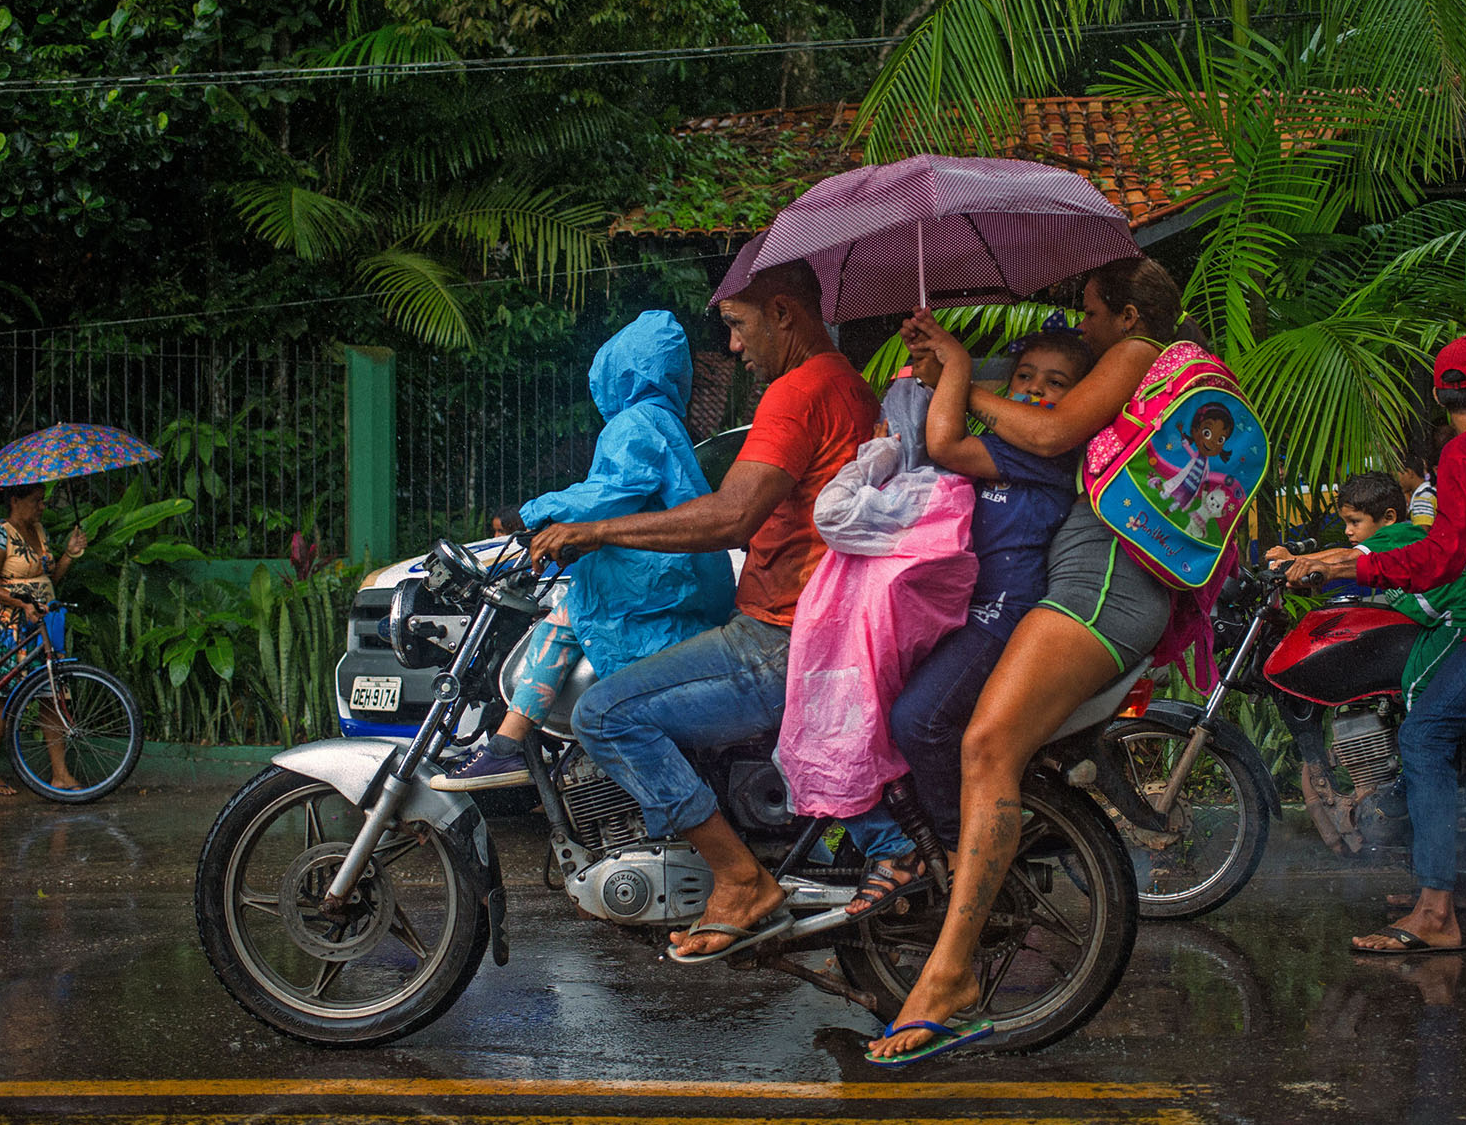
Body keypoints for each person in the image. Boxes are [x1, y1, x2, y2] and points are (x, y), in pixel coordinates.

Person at [868, 255, 1201, 1062]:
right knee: (974, 741)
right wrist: (951, 367)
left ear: (1126, 315)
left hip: (1100, 583)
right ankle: (950, 956)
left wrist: (958, 373)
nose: (1080, 322)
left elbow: (1047, 428)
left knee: (982, 745)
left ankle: (951, 975)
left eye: (1089, 309)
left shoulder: (1135, 351)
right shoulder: (1155, 368)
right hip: (1097, 580)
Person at [528, 263, 879, 961]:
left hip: (776, 636)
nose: (734, 348)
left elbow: (729, 516)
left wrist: (593, 531)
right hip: (816, 622)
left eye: (739, 327)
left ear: (783, 313)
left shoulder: (797, 391)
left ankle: (737, 875)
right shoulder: (849, 384)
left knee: (604, 713)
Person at [1285, 334, 1466, 957]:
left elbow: (1441, 558)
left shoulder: (1465, 453)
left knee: (1423, 734)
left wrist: (1346, 569)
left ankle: (1436, 911)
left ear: (1441, 399)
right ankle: (1454, 876)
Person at [834, 326, 1094, 916]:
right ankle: (912, 838)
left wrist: (955, 364)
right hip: (956, 610)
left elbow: (947, 443)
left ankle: (961, 848)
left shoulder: (1044, 452)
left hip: (999, 617)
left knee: (919, 720)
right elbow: (931, 464)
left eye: (1055, 385)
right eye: (1025, 377)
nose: (1032, 392)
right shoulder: (1004, 444)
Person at [434, 311, 735, 791]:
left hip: (655, 580)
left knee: (568, 621)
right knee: (573, 620)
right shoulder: (666, 422)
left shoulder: (635, 422)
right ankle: (516, 748)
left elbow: (611, 491)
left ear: (619, 370)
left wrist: (530, 514)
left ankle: (508, 746)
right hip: (679, 578)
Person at [1267, 473, 1466, 709]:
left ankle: (1425, 740)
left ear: (1388, 517)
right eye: (1346, 523)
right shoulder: (1386, 542)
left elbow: (1345, 556)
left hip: (1460, 616)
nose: (1347, 531)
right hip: (1439, 621)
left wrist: (1294, 560)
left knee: (1417, 686)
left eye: (1355, 522)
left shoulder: (1397, 535)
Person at [0, 483, 86, 795]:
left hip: (44, 623)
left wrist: (69, 555)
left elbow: (48, 578)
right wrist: (22, 603)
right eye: (36, 501)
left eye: (43, 501)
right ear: (14, 500)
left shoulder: (39, 530)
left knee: (52, 694)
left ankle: (60, 774)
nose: (42, 507)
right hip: (10, 626)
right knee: (2, 697)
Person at [1395, 438, 1439, 527]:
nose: (1395, 480)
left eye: (1396, 475)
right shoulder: (1430, 493)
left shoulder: (1422, 498)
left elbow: (1421, 533)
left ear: (1408, 473)